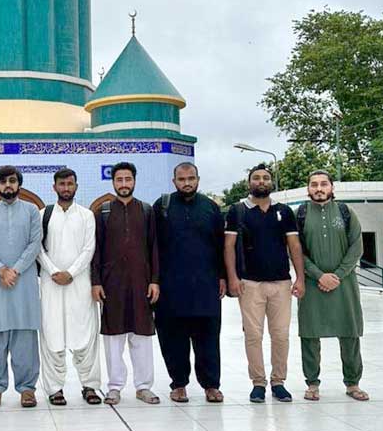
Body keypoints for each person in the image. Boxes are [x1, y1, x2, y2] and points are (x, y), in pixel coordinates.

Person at [225, 163, 305, 403]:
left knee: (281, 335)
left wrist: (300, 277)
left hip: (281, 283)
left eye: (266, 178)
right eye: (256, 178)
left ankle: (278, 381)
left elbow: (294, 246)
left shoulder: (284, 211)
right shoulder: (237, 211)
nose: (261, 181)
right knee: (253, 335)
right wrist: (232, 278)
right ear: (249, 183)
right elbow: (228, 246)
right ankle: (258, 383)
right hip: (249, 283)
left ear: (271, 183)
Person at [153, 162, 226, 403]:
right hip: (170, 286)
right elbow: (151, 247)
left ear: (198, 179)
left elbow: (221, 246)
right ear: (174, 181)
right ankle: (179, 384)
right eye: (182, 179)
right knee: (173, 339)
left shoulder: (211, 208)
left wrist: (223, 276)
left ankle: (211, 385)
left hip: (205, 285)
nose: (187, 183)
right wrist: (154, 280)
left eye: (191, 178)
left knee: (208, 338)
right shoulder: (162, 207)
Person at [91, 162, 160, 405]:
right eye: (119, 180)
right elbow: (96, 250)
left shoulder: (147, 210)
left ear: (134, 181)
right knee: (113, 337)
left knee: (141, 336)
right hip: (112, 285)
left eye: (127, 179)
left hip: (141, 282)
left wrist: (154, 281)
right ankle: (114, 387)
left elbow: (154, 247)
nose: (123, 184)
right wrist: (96, 282)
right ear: (113, 182)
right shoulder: (103, 211)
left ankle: (143, 386)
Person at [297, 170, 368, 402]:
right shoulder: (301, 213)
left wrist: (336, 276)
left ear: (332, 187)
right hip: (311, 284)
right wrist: (319, 276)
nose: (319, 188)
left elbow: (356, 247)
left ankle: (353, 383)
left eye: (323, 184)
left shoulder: (346, 212)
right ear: (308, 189)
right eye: (314, 184)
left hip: (344, 285)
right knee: (309, 334)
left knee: (350, 332)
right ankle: (312, 384)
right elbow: (296, 250)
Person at [0, 166, 43, 408]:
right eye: (3, 182)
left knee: (25, 335)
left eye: (12, 181)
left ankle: (27, 388)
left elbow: (35, 243)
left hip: (23, 283)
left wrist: (15, 269)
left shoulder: (32, 211)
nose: (8, 185)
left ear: (19, 184)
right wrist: (1, 269)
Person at [37, 168, 102, 406]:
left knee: (85, 334)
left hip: (79, 283)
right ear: (54, 187)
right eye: (62, 184)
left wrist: (71, 272)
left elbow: (89, 248)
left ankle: (90, 386)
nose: (66, 188)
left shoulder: (86, 216)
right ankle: (55, 388)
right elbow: (37, 248)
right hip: (51, 283)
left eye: (70, 184)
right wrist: (54, 271)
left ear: (76, 186)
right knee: (51, 333)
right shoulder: (43, 214)